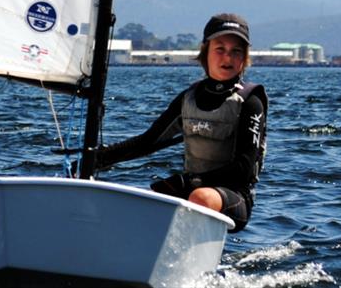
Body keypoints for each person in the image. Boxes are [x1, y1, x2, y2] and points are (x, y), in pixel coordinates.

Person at [95, 13, 267, 232]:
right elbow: (147, 141)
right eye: (220, 49)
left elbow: (243, 168)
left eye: (236, 51)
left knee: (200, 197)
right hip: (193, 188)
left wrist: (190, 182)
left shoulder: (251, 101)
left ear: (244, 57)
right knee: (141, 202)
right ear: (205, 52)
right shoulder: (189, 98)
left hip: (234, 197)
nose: (228, 58)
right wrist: (97, 158)